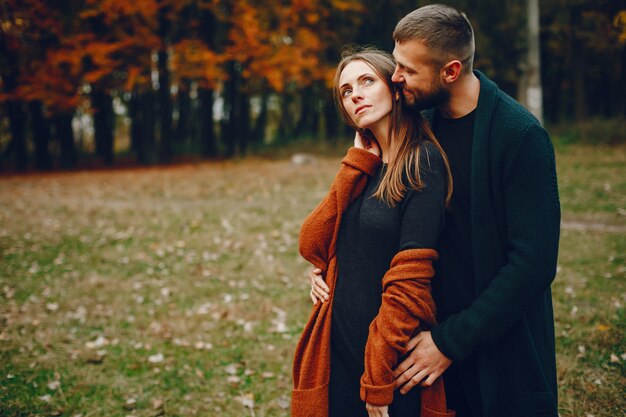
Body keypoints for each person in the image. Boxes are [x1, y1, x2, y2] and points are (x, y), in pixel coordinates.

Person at [312, 4, 561, 417]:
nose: (395, 78)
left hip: (492, 342)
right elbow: (377, 220)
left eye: (406, 70)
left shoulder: (520, 138)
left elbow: (533, 265)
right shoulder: (419, 122)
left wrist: (450, 341)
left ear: (450, 71)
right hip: (424, 337)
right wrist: (327, 261)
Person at [291, 47, 455, 417]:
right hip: (339, 341)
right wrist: (355, 164)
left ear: (396, 89)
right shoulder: (364, 165)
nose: (356, 95)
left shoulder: (421, 162)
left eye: (367, 81)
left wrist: (378, 377)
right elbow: (312, 242)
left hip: (388, 355)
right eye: (346, 91)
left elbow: (410, 282)